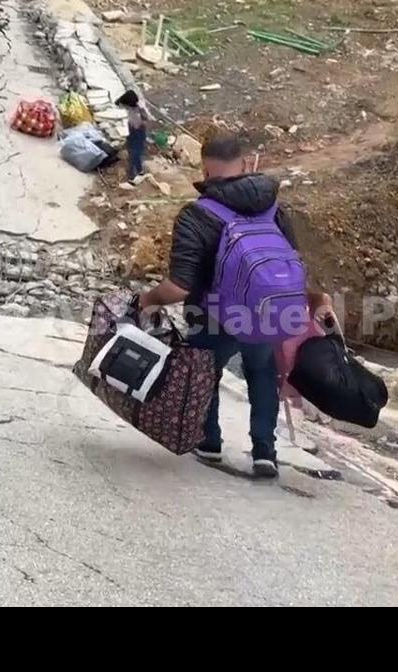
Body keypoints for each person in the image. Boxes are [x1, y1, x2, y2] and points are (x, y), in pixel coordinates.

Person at [139, 133, 332, 478]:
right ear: (244, 164)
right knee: (261, 373)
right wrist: (314, 301)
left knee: (206, 372)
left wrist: (148, 300)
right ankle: (264, 453)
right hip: (264, 313)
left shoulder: (196, 214)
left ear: (205, 168)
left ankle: (209, 442)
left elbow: (180, 285)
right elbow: (293, 263)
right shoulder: (273, 206)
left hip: (212, 314)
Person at [115, 90, 149, 181]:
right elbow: (117, 102)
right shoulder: (133, 106)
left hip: (137, 130)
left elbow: (144, 118)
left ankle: (134, 173)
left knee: (135, 152)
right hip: (134, 129)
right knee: (134, 151)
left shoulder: (137, 108)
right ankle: (137, 171)